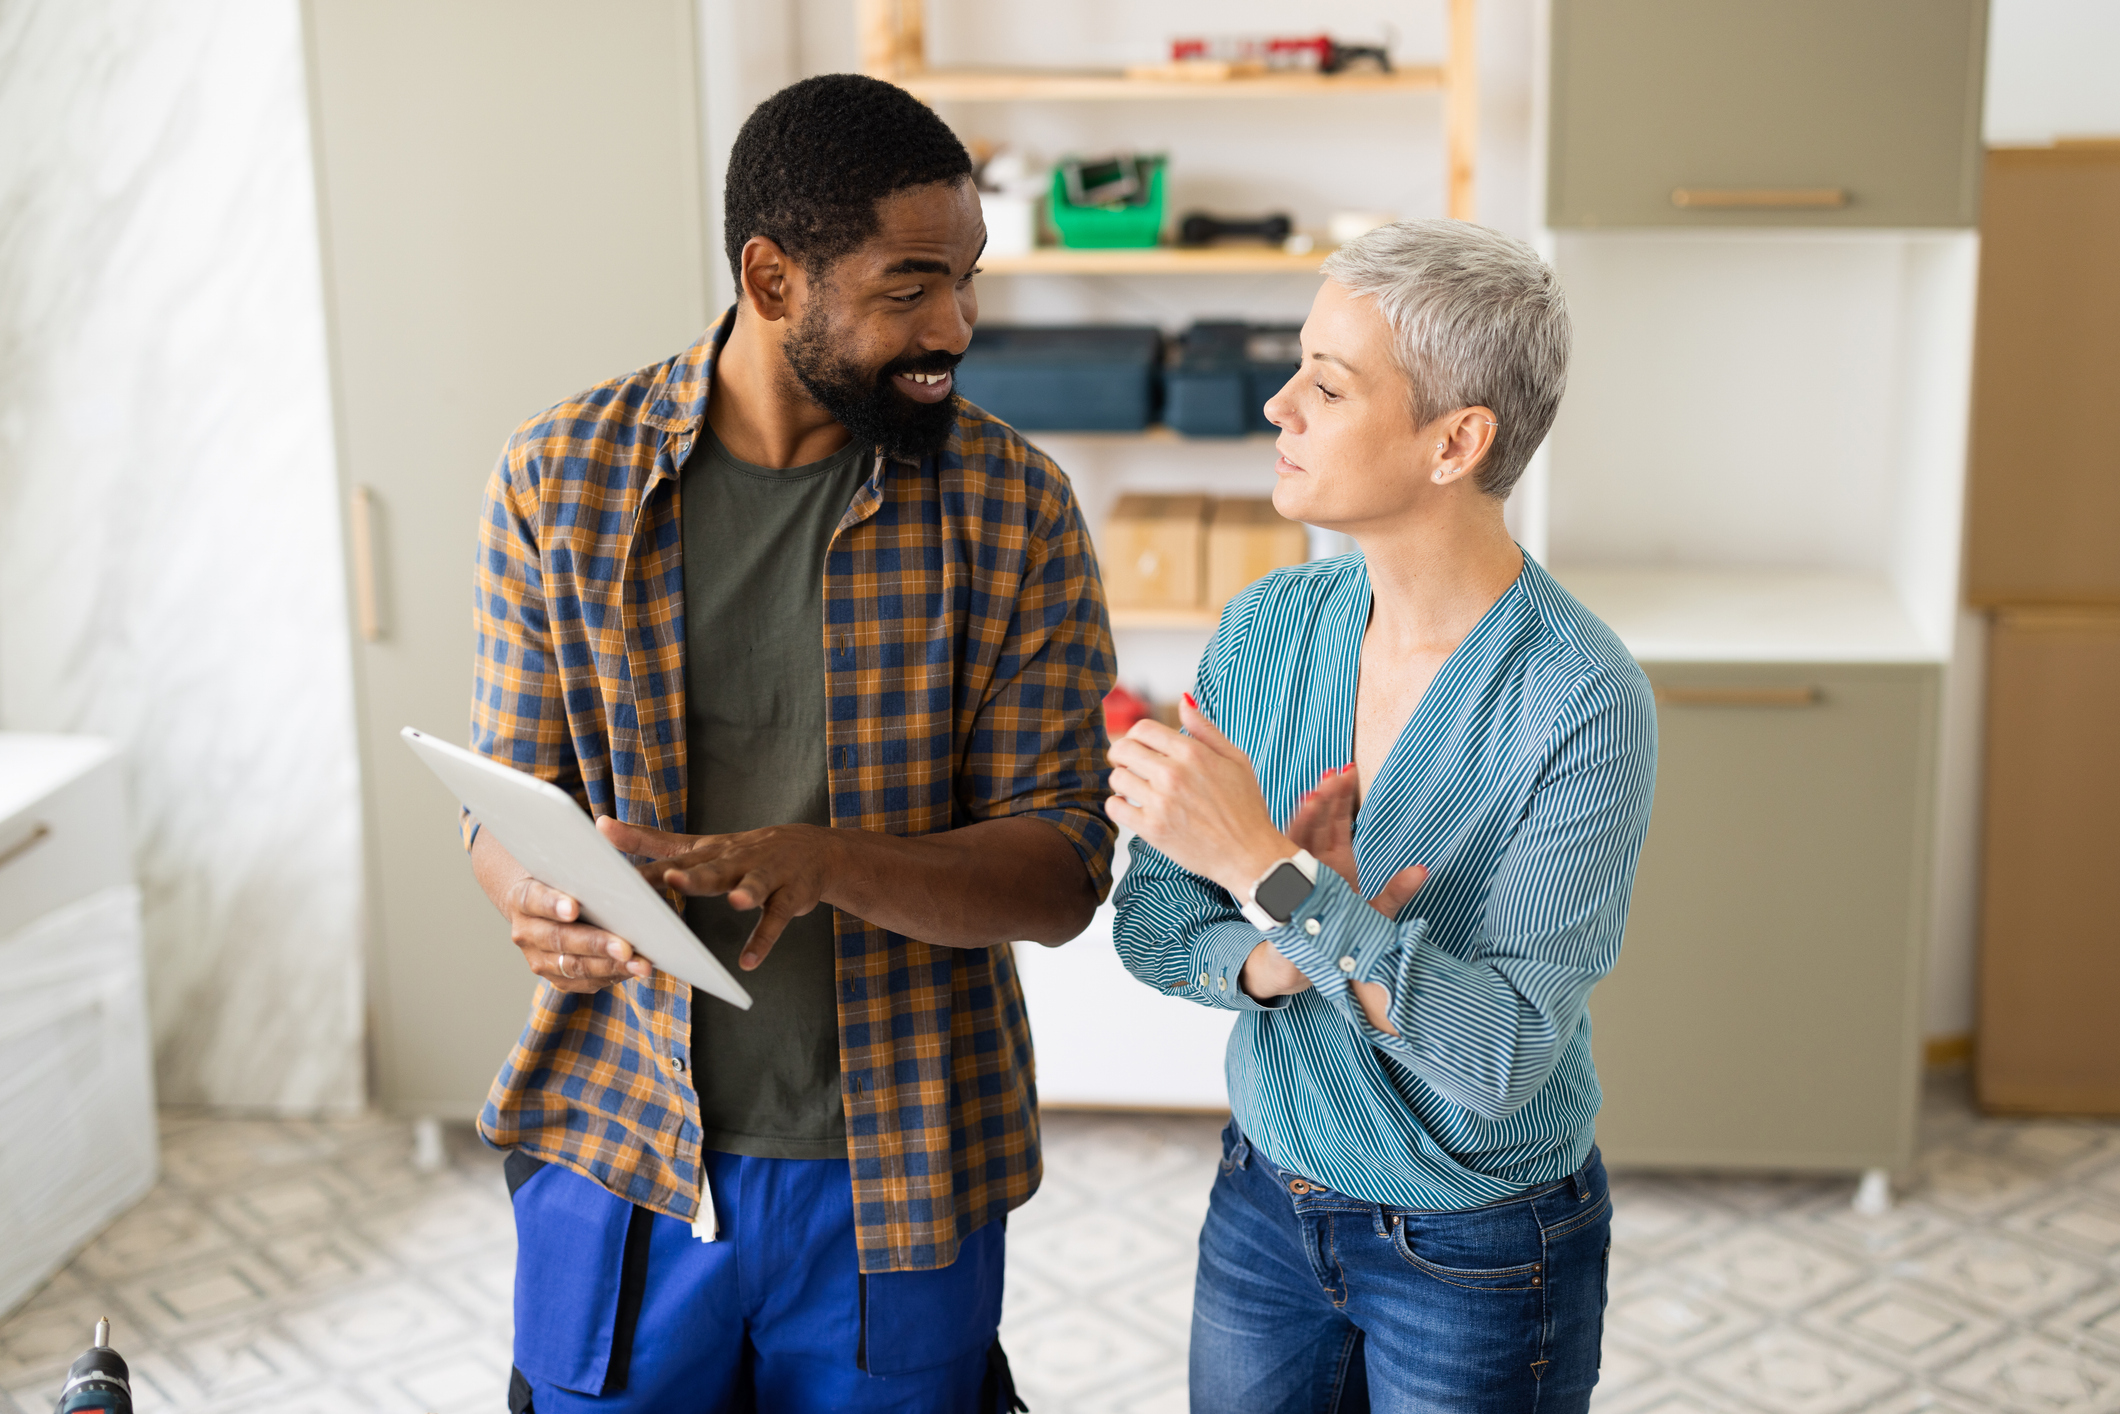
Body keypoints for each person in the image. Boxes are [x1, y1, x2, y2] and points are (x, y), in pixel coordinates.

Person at [462, 74, 1115, 1413]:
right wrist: (534, 893)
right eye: (908, 290)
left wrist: (827, 860)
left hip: (898, 1173)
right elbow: (507, 802)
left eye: (967, 280)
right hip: (617, 1144)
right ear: (772, 280)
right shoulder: (559, 478)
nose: (955, 329)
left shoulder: (1016, 509)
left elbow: (1060, 874)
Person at [1109, 220, 1656, 1412]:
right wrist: (1281, 953)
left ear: (1455, 441)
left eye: (1325, 384)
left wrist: (1276, 878)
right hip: (1264, 1201)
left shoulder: (1579, 700)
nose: (1277, 406)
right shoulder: (1265, 626)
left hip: (1479, 1248)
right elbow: (1150, 924)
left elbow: (1495, 1058)